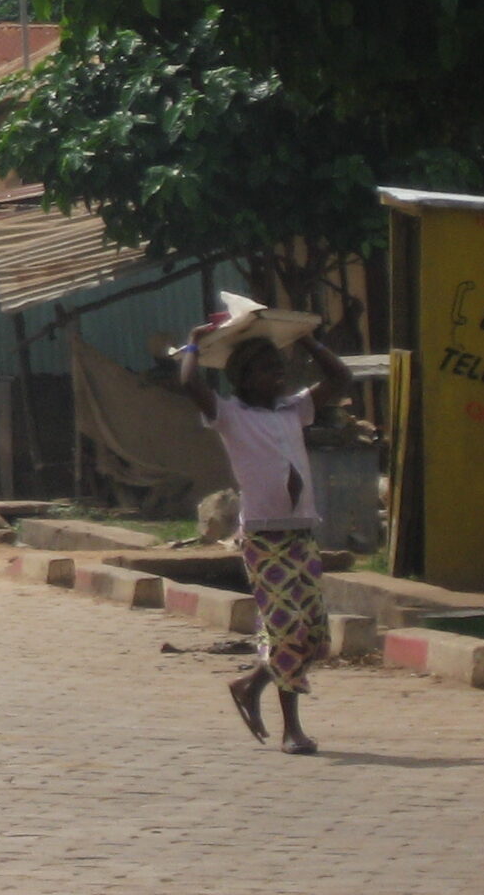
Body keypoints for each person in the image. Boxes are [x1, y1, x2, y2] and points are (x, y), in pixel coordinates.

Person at [175, 319, 353, 755]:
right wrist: (193, 346)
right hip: (263, 540)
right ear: (244, 378)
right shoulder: (230, 415)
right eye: (268, 370)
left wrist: (306, 338)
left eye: (281, 368)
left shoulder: (294, 409)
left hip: (302, 534)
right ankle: (292, 727)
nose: (279, 375)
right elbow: (189, 384)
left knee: (312, 633)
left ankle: (250, 684)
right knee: (288, 628)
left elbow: (341, 378)